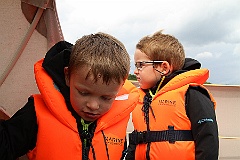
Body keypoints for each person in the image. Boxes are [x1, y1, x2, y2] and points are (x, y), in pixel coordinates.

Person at [0, 32, 139, 160]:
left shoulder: (118, 120)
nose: (93, 105)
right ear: (67, 76)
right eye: (84, 93)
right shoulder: (35, 113)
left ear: (120, 87)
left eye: (106, 98)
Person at [125, 30, 219, 160]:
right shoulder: (142, 98)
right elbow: (135, 143)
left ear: (164, 67)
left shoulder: (193, 95)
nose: (135, 71)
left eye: (140, 65)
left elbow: (208, 141)